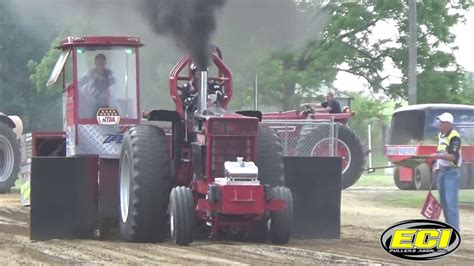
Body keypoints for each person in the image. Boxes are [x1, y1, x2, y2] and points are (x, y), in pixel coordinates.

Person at [430, 112, 462, 231]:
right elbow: (441, 151)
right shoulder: (440, 135)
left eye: (443, 123)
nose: (440, 125)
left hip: (451, 172)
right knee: (444, 204)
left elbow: (453, 156)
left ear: (449, 124)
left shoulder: (454, 136)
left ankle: (455, 232)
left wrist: (437, 156)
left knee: (451, 205)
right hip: (441, 172)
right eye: (440, 122)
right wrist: (436, 166)